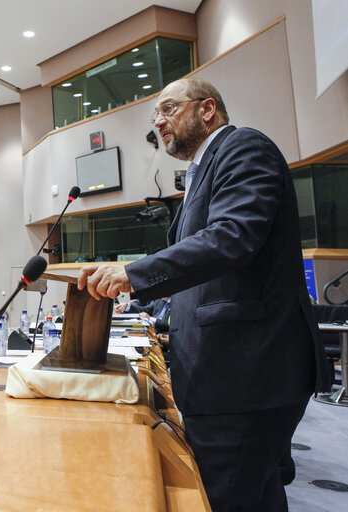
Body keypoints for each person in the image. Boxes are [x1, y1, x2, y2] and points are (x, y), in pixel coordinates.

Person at [78, 78, 328, 512]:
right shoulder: (201, 171)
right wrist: (148, 304)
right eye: (155, 115)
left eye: (169, 109)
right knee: (257, 495)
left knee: (225, 499)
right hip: (234, 378)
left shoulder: (244, 147)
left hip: (246, 377)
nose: (159, 121)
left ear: (207, 109)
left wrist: (134, 273)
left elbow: (232, 238)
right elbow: (204, 273)